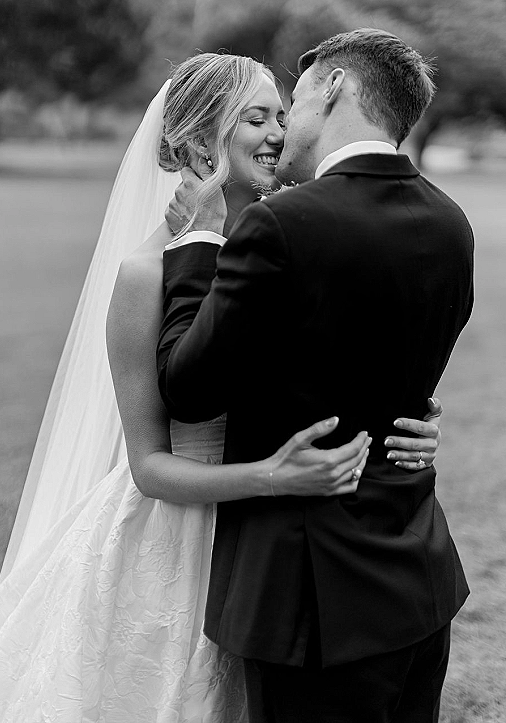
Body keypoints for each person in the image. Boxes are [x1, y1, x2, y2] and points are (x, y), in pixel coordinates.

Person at [0, 52, 443, 723]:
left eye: (283, 115)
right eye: (256, 118)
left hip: (284, 546)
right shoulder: (145, 274)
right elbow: (149, 468)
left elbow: (344, 366)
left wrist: (419, 414)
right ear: (200, 142)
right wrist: (270, 477)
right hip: (178, 546)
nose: (279, 133)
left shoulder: (294, 236)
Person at [157, 36, 474, 723]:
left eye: (291, 103)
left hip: (314, 596)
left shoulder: (282, 224)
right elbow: (387, 368)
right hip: (418, 574)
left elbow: (188, 392)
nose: (281, 128)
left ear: (330, 91)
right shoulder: (451, 223)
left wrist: (194, 250)